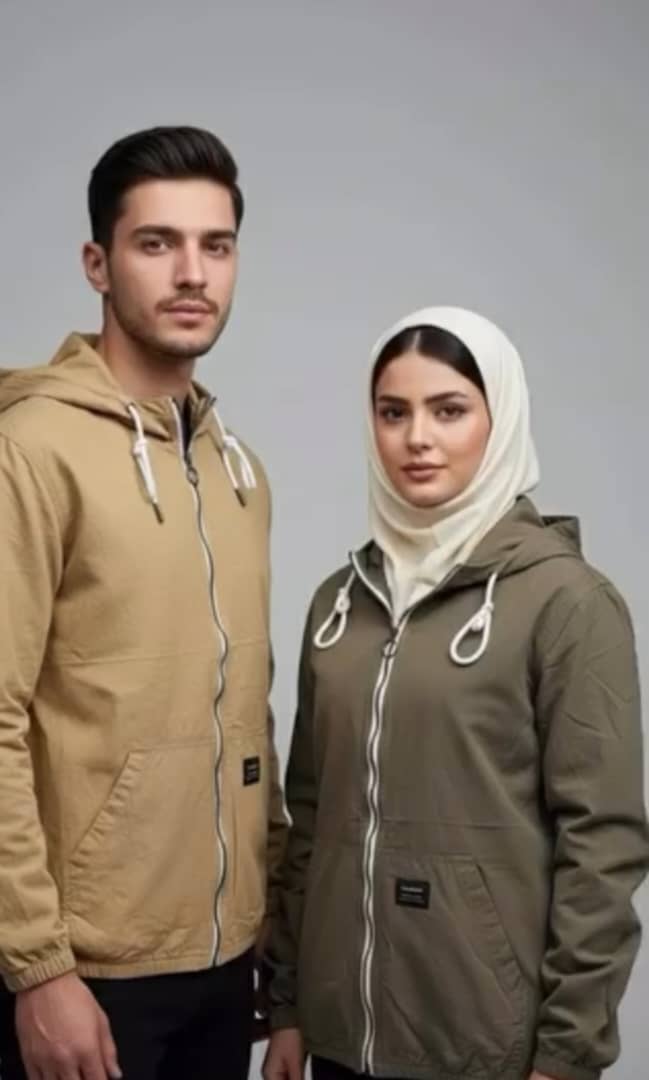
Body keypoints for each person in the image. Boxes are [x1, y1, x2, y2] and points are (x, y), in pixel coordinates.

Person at [263, 307, 648, 1080]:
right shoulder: (339, 603)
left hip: (486, 1049)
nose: (417, 438)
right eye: (392, 412)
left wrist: (567, 1055)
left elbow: (601, 848)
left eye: (448, 410)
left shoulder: (567, 603)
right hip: (336, 1041)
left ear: (498, 421)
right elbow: (308, 819)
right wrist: (290, 1006)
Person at [0, 125, 287, 1080]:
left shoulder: (240, 472)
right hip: (82, 975)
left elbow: (248, 715)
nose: (192, 273)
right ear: (98, 263)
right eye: (156, 243)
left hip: (227, 964)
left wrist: (271, 933)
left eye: (216, 245)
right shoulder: (30, 452)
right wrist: (37, 968)